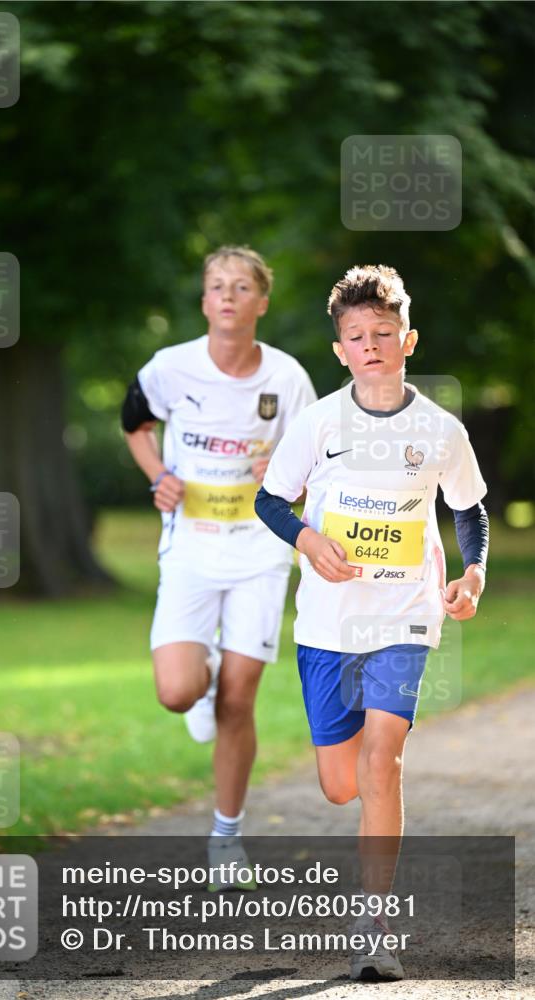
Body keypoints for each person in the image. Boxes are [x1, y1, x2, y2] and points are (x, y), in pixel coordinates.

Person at [255, 264, 488, 979]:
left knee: (382, 760)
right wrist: (307, 539)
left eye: (383, 332)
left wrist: (472, 571)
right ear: (339, 350)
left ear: (407, 338)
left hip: (404, 618)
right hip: (327, 626)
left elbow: (467, 510)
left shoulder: (439, 430)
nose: (371, 345)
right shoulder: (319, 423)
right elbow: (269, 502)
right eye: (355, 336)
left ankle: (373, 927)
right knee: (342, 782)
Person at [122, 246, 316, 887]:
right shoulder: (170, 368)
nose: (227, 296)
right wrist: (160, 476)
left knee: (240, 699)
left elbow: (318, 462)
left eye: (241, 287)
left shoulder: (286, 379)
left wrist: (285, 475)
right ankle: (198, 680)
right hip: (191, 550)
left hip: (260, 550)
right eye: (216, 286)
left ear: (261, 302)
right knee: (178, 692)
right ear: (204, 302)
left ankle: (225, 838)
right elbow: (134, 421)